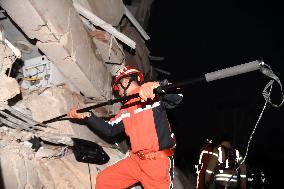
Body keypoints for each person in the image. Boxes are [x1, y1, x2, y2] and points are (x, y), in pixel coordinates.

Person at [68, 66, 183, 189]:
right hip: (135, 161)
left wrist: (157, 86)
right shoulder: (126, 109)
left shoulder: (152, 95)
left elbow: (177, 96)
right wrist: (87, 116)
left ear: (124, 82)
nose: (119, 93)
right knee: (105, 181)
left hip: (156, 164)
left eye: (118, 89)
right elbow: (110, 129)